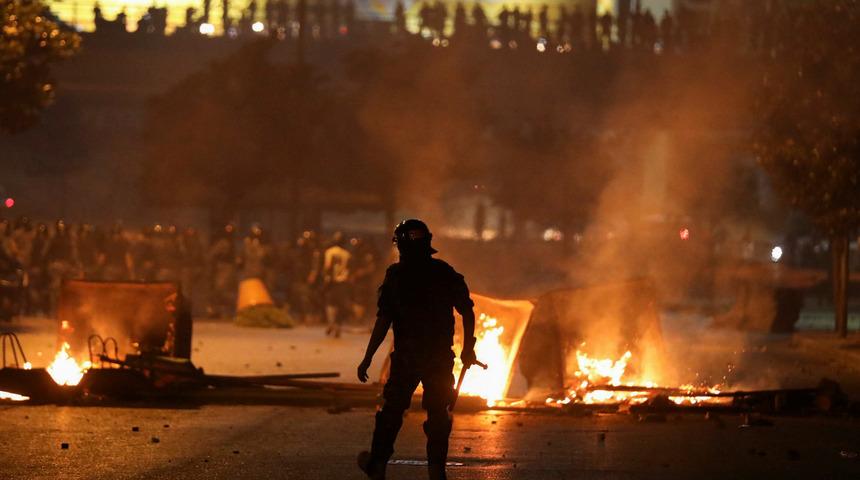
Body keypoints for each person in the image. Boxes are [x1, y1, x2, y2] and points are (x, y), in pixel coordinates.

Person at [356, 219, 477, 480]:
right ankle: (436, 471)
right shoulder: (444, 272)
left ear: (401, 245)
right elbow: (467, 312)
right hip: (439, 358)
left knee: (391, 412)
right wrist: (468, 349)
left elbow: (384, 320)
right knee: (438, 415)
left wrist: (368, 357)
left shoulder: (396, 276)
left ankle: (377, 465)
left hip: (407, 358)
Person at [323, 231, 351, 337]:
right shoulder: (347, 254)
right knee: (340, 305)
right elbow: (348, 269)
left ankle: (331, 323)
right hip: (343, 282)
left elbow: (327, 267)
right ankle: (338, 325)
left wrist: (326, 280)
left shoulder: (329, 252)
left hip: (331, 282)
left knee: (330, 303)